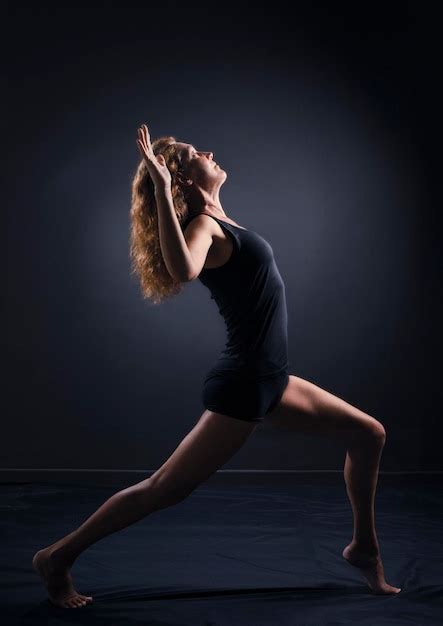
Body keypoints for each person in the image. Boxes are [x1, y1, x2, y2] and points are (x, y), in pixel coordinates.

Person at [32, 124, 401, 608]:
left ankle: (363, 549)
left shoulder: (222, 219)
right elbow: (182, 270)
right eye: (193, 154)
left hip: (274, 379)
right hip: (245, 384)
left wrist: (173, 189)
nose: (208, 151)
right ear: (182, 178)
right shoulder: (203, 227)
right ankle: (57, 557)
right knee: (162, 489)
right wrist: (162, 189)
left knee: (369, 434)